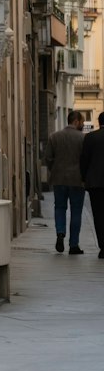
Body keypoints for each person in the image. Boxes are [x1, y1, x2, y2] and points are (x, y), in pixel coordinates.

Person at [44, 110, 87, 253]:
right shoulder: (83, 138)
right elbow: (86, 160)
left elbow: (48, 158)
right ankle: (73, 245)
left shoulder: (54, 137)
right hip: (77, 180)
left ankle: (60, 233)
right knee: (76, 211)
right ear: (76, 121)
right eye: (82, 122)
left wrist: (55, 169)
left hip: (59, 179)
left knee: (60, 208)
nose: (83, 124)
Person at [80, 111, 104, 260]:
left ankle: (103, 246)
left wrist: (84, 178)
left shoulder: (90, 137)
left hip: (95, 183)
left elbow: (84, 160)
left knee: (99, 215)